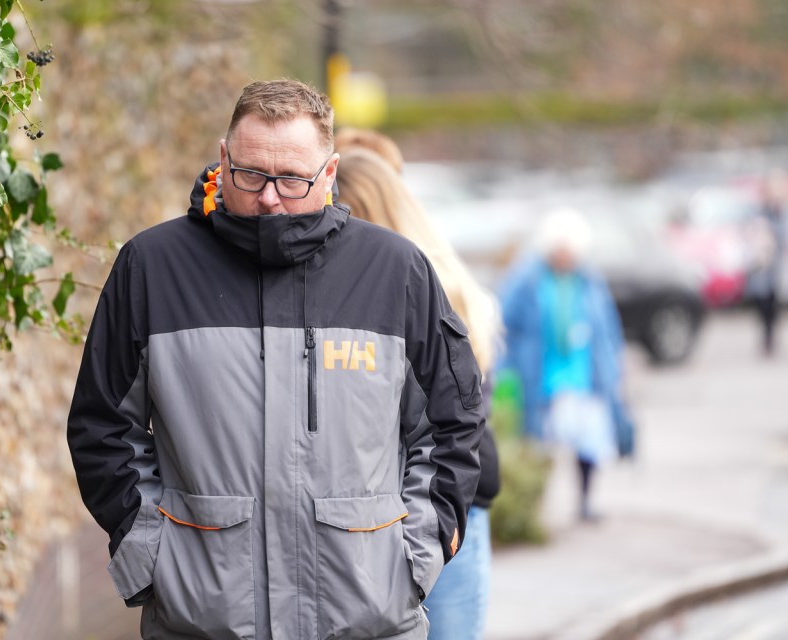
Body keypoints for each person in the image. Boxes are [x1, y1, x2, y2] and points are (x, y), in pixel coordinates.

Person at [66, 79, 486, 640]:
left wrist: (411, 560)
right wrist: (152, 555)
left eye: (292, 179)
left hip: (367, 620)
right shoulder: (151, 267)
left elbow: (451, 423)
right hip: (201, 623)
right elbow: (102, 427)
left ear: (330, 173)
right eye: (251, 174)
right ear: (223, 158)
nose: (269, 197)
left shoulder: (395, 272)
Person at [335, 144, 503, 640]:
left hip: (439, 512)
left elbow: (455, 428)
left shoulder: (423, 291)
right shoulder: (445, 284)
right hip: (434, 511)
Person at [497, 208, 626, 522]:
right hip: (542, 377)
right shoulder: (526, 279)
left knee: (588, 444)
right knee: (539, 444)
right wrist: (506, 367)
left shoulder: (590, 280)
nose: (565, 256)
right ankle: (538, 507)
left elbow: (608, 327)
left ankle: (584, 502)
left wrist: (615, 367)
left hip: (584, 375)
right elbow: (504, 324)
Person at [745, 171, 786, 356]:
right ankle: (766, 336)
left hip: (776, 267)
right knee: (762, 303)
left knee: (773, 304)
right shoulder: (759, 210)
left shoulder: (781, 211)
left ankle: (770, 338)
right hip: (761, 266)